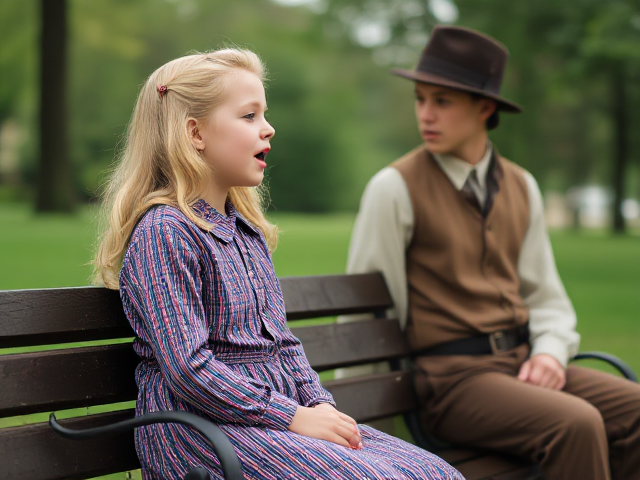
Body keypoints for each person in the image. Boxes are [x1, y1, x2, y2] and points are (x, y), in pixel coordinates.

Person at [93, 48, 464, 480]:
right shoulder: (166, 233)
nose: (268, 128)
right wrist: (291, 416)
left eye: (263, 115)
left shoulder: (246, 231)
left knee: (436, 473)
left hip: (274, 418)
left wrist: (318, 404)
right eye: (249, 116)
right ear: (195, 133)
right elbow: (189, 369)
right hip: (199, 430)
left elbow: (282, 344)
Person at [345, 25, 640, 480]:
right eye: (421, 99)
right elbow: (368, 320)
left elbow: (546, 299)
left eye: (442, 101)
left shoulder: (522, 186)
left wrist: (549, 354)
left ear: (485, 108)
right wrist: (362, 433)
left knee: (634, 410)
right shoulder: (395, 188)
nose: (426, 114)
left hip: (521, 365)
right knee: (576, 423)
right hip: (452, 384)